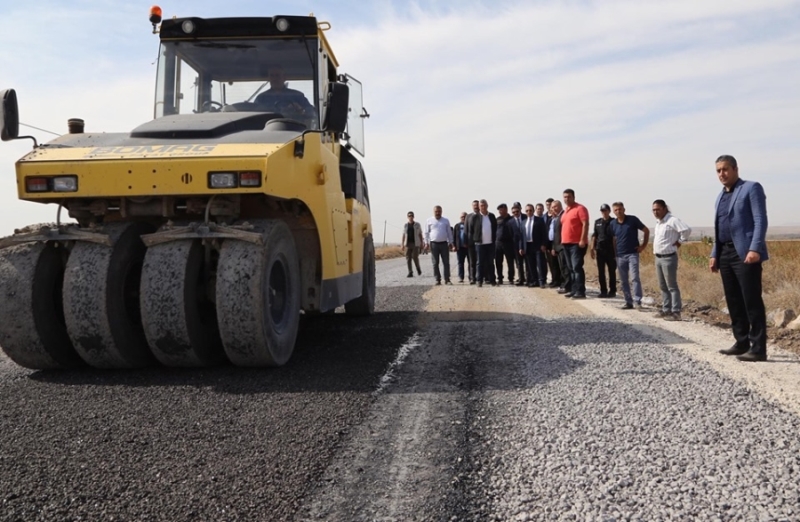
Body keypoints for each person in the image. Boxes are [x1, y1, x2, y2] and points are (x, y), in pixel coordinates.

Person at [710, 155, 769, 362]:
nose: (721, 174)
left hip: (745, 253)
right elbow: (718, 227)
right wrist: (714, 253)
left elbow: (760, 220)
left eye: (725, 169)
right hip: (724, 252)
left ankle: (758, 348)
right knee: (733, 300)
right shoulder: (720, 196)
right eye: (718, 170)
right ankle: (741, 341)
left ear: (735, 169)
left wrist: (755, 248)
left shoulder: (751, 188)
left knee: (751, 300)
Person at [652, 199, 692, 321]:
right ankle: (666, 309)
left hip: (668, 258)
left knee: (672, 286)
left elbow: (686, 230)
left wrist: (680, 242)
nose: (655, 212)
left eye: (658, 209)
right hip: (658, 258)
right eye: (653, 210)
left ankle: (676, 312)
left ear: (664, 208)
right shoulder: (659, 223)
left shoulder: (672, 220)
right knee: (663, 286)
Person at [609, 202, 649, 309]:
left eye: (620, 209)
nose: (618, 211)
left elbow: (646, 230)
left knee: (635, 278)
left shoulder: (632, 220)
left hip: (632, 254)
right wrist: (614, 254)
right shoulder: (613, 224)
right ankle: (628, 302)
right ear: (613, 211)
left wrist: (643, 246)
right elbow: (613, 239)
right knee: (623, 280)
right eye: (616, 210)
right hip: (620, 256)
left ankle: (637, 301)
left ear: (624, 209)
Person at [560, 189, 590, 299]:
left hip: (576, 244)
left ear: (574, 197)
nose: (566, 199)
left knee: (577, 267)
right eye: (565, 197)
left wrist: (582, 240)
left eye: (568, 197)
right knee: (570, 268)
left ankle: (581, 291)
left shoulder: (580, 208)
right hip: (566, 244)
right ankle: (574, 289)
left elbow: (585, 224)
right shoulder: (565, 211)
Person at [468, 199, 497, 287]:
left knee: (490, 262)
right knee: (479, 263)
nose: (483, 207)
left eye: (484, 205)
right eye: (481, 206)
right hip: (479, 244)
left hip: (490, 243)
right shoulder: (475, 217)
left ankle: (492, 280)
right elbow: (471, 230)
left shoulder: (491, 216)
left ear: (487, 206)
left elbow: (495, 228)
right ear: (479, 207)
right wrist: (474, 240)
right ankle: (479, 280)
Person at [591, 204, 617, 298]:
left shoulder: (614, 221)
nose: (604, 212)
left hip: (610, 250)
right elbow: (594, 235)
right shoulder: (597, 222)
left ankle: (612, 290)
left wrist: (616, 252)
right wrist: (592, 248)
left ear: (609, 211)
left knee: (611, 271)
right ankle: (603, 291)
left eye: (605, 210)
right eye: (602, 211)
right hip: (600, 250)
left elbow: (615, 237)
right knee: (601, 272)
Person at [424, 205, 454, 285]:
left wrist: (451, 242)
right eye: (436, 211)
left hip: (444, 244)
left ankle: (447, 279)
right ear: (433, 212)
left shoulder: (445, 221)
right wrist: (426, 243)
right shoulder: (429, 221)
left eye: (439, 211)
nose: (437, 213)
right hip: (434, 244)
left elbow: (449, 233)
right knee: (435, 263)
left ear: (441, 212)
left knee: (446, 262)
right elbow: (426, 233)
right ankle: (438, 279)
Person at [522, 203, 548, 288]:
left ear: (533, 211)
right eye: (527, 211)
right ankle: (534, 280)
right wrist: (521, 247)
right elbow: (521, 236)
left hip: (538, 245)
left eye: (530, 210)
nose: (528, 212)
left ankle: (542, 281)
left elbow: (544, 233)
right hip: (528, 246)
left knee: (540, 264)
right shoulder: (523, 222)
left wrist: (544, 244)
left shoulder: (539, 220)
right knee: (531, 264)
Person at [549, 201, 571, 294]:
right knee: (562, 267)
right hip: (557, 245)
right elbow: (555, 234)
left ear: (560, 206)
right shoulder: (556, 217)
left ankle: (567, 286)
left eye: (555, 206)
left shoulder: (563, 215)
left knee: (565, 267)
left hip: (563, 245)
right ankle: (564, 284)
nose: (554, 208)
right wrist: (554, 247)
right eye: (552, 207)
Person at [494, 203, 517, 285]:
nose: (500, 211)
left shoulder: (511, 219)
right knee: (498, 262)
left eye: (501, 209)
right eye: (499, 210)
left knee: (510, 262)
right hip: (498, 243)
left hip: (508, 243)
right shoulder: (497, 219)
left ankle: (511, 278)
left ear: (506, 209)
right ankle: (500, 278)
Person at [401, 211, 424, 277]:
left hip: (415, 244)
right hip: (407, 244)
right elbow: (403, 235)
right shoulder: (405, 225)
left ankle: (418, 268)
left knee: (415, 257)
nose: (410, 217)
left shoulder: (417, 224)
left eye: (411, 216)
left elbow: (420, 234)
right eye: (409, 216)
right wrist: (402, 244)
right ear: (407, 217)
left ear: (413, 217)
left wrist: (421, 243)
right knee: (408, 258)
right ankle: (410, 272)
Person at [510, 202, 527, 286]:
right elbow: (510, 235)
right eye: (513, 212)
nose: (515, 213)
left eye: (517, 211)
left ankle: (530, 278)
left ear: (520, 210)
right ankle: (521, 279)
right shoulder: (510, 222)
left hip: (527, 244)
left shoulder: (526, 218)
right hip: (516, 246)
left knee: (528, 262)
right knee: (519, 263)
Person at [544, 198, 559, 287]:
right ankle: (554, 279)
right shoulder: (545, 217)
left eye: (551, 205)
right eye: (548, 205)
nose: (549, 207)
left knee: (557, 263)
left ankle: (558, 280)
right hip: (548, 243)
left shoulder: (557, 217)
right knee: (551, 263)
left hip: (556, 243)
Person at [464, 200, 480, 284]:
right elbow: (466, 230)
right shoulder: (468, 216)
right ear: (472, 206)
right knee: (472, 261)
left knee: (481, 261)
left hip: (481, 242)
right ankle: (472, 278)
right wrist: (465, 241)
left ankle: (480, 277)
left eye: (477, 205)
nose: (476, 207)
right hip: (471, 243)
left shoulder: (482, 216)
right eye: (474, 205)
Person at [453, 212, 470, 283]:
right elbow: (454, 236)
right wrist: (454, 246)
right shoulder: (457, 226)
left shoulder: (470, 225)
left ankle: (471, 277)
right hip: (460, 248)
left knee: (471, 263)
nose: (463, 218)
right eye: (462, 217)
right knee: (460, 263)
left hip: (469, 247)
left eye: (465, 217)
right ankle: (461, 277)